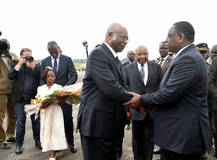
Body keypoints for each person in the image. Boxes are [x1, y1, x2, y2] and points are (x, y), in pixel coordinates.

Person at [123, 21, 211, 160]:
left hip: (181, 136)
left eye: (169, 36)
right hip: (176, 134)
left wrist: (141, 100)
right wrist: (150, 105)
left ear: (180, 37)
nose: (166, 40)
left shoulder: (188, 59)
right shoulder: (185, 56)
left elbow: (168, 94)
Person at [76, 23, 132, 160]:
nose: (125, 42)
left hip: (110, 125)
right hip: (97, 126)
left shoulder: (115, 59)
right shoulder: (98, 54)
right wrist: (139, 101)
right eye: (123, 37)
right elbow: (111, 86)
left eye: (127, 39)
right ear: (110, 35)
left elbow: (122, 86)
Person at [124, 45, 163, 160]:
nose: (142, 56)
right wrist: (127, 111)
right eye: (139, 54)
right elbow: (125, 90)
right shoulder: (128, 68)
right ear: (135, 55)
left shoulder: (156, 67)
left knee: (150, 139)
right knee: (137, 140)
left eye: (145, 54)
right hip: (135, 112)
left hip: (151, 111)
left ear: (148, 54)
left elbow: (161, 88)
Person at [40, 41, 78, 153]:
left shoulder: (67, 59)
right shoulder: (44, 61)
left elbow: (74, 74)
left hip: (64, 96)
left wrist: (65, 88)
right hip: (51, 98)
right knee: (53, 122)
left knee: (67, 119)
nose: (54, 54)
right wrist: (48, 91)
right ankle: (55, 146)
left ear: (58, 48)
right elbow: (41, 78)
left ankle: (71, 142)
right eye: (51, 52)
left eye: (55, 51)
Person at [8, 48, 41, 154]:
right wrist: (20, 63)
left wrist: (34, 67)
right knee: (20, 123)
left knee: (36, 122)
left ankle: (38, 140)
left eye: (30, 56)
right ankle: (19, 144)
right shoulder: (16, 67)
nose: (28, 58)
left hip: (34, 99)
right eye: (25, 56)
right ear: (21, 56)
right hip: (20, 99)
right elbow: (10, 76)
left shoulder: (36, 66)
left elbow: (42, 76)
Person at [37, 67, 67, 160]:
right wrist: (42, 104)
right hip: (46, 113)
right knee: (47, 131)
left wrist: (63, 98)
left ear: (55, 77)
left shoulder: (59, 87)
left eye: (52, 76)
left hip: (55, 112)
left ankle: (53, 153)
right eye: (48, 76)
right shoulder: (40, 88)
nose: (50, 78)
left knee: (56, 130)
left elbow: (61, 103)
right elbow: (38, 102)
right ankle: (50, 148)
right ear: (45, 78)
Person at [0, 39, 19, 149]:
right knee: (0, 116)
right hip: (1, 91)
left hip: (13, 90)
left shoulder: (12, 55)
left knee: (13, 115)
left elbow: (19, 62)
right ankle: (1, 140)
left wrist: (10, 56)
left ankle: (11, 135)